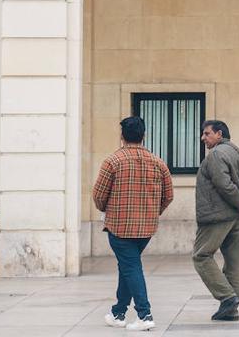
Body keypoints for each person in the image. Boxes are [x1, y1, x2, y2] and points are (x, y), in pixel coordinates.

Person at [92, 115, 174, 332]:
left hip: (119, 227)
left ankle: (145, 314)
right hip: (146, 228)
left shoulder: (112, 161)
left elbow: (99, 194)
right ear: (144, 135)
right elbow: (169, 195)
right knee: (128, 267)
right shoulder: (158, 162)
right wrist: (154, 212)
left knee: (130, 267)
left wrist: (105, 209)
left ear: (122, 136)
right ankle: (118, 312)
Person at [192, 120, 239, 323]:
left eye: (207, 134)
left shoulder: (216, 155)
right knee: (234, 261)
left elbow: (224, 185)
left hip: (217, 216)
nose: (203, 138)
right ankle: (230, 310)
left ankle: (227, 297)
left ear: (219, 134)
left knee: (201, 256)